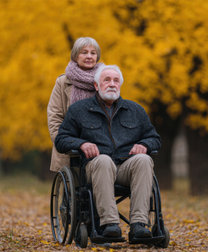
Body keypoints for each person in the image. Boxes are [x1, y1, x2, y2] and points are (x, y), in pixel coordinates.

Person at [55, 65, 161, 239]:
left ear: (120, 85)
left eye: (116, 80)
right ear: (96, 86)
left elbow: (155, 138)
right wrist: (81, 144)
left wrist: (145, 145)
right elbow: (61, 140)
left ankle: (139, 225)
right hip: (95, 168)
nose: (112, 84)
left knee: (144, 160)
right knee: (103, 160)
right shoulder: (79, 110)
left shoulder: (135, 110)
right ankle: (110, 224)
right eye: (107, 80)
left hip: (126, 167)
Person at [47, 37, 104, 172]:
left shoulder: (106, 80)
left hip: (101, 146)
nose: (89, 56)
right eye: (84, 52)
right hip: (71, 148)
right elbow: (54, 116)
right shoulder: (62, 82)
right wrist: (64, 142)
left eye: (93, 53)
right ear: (75, 55)